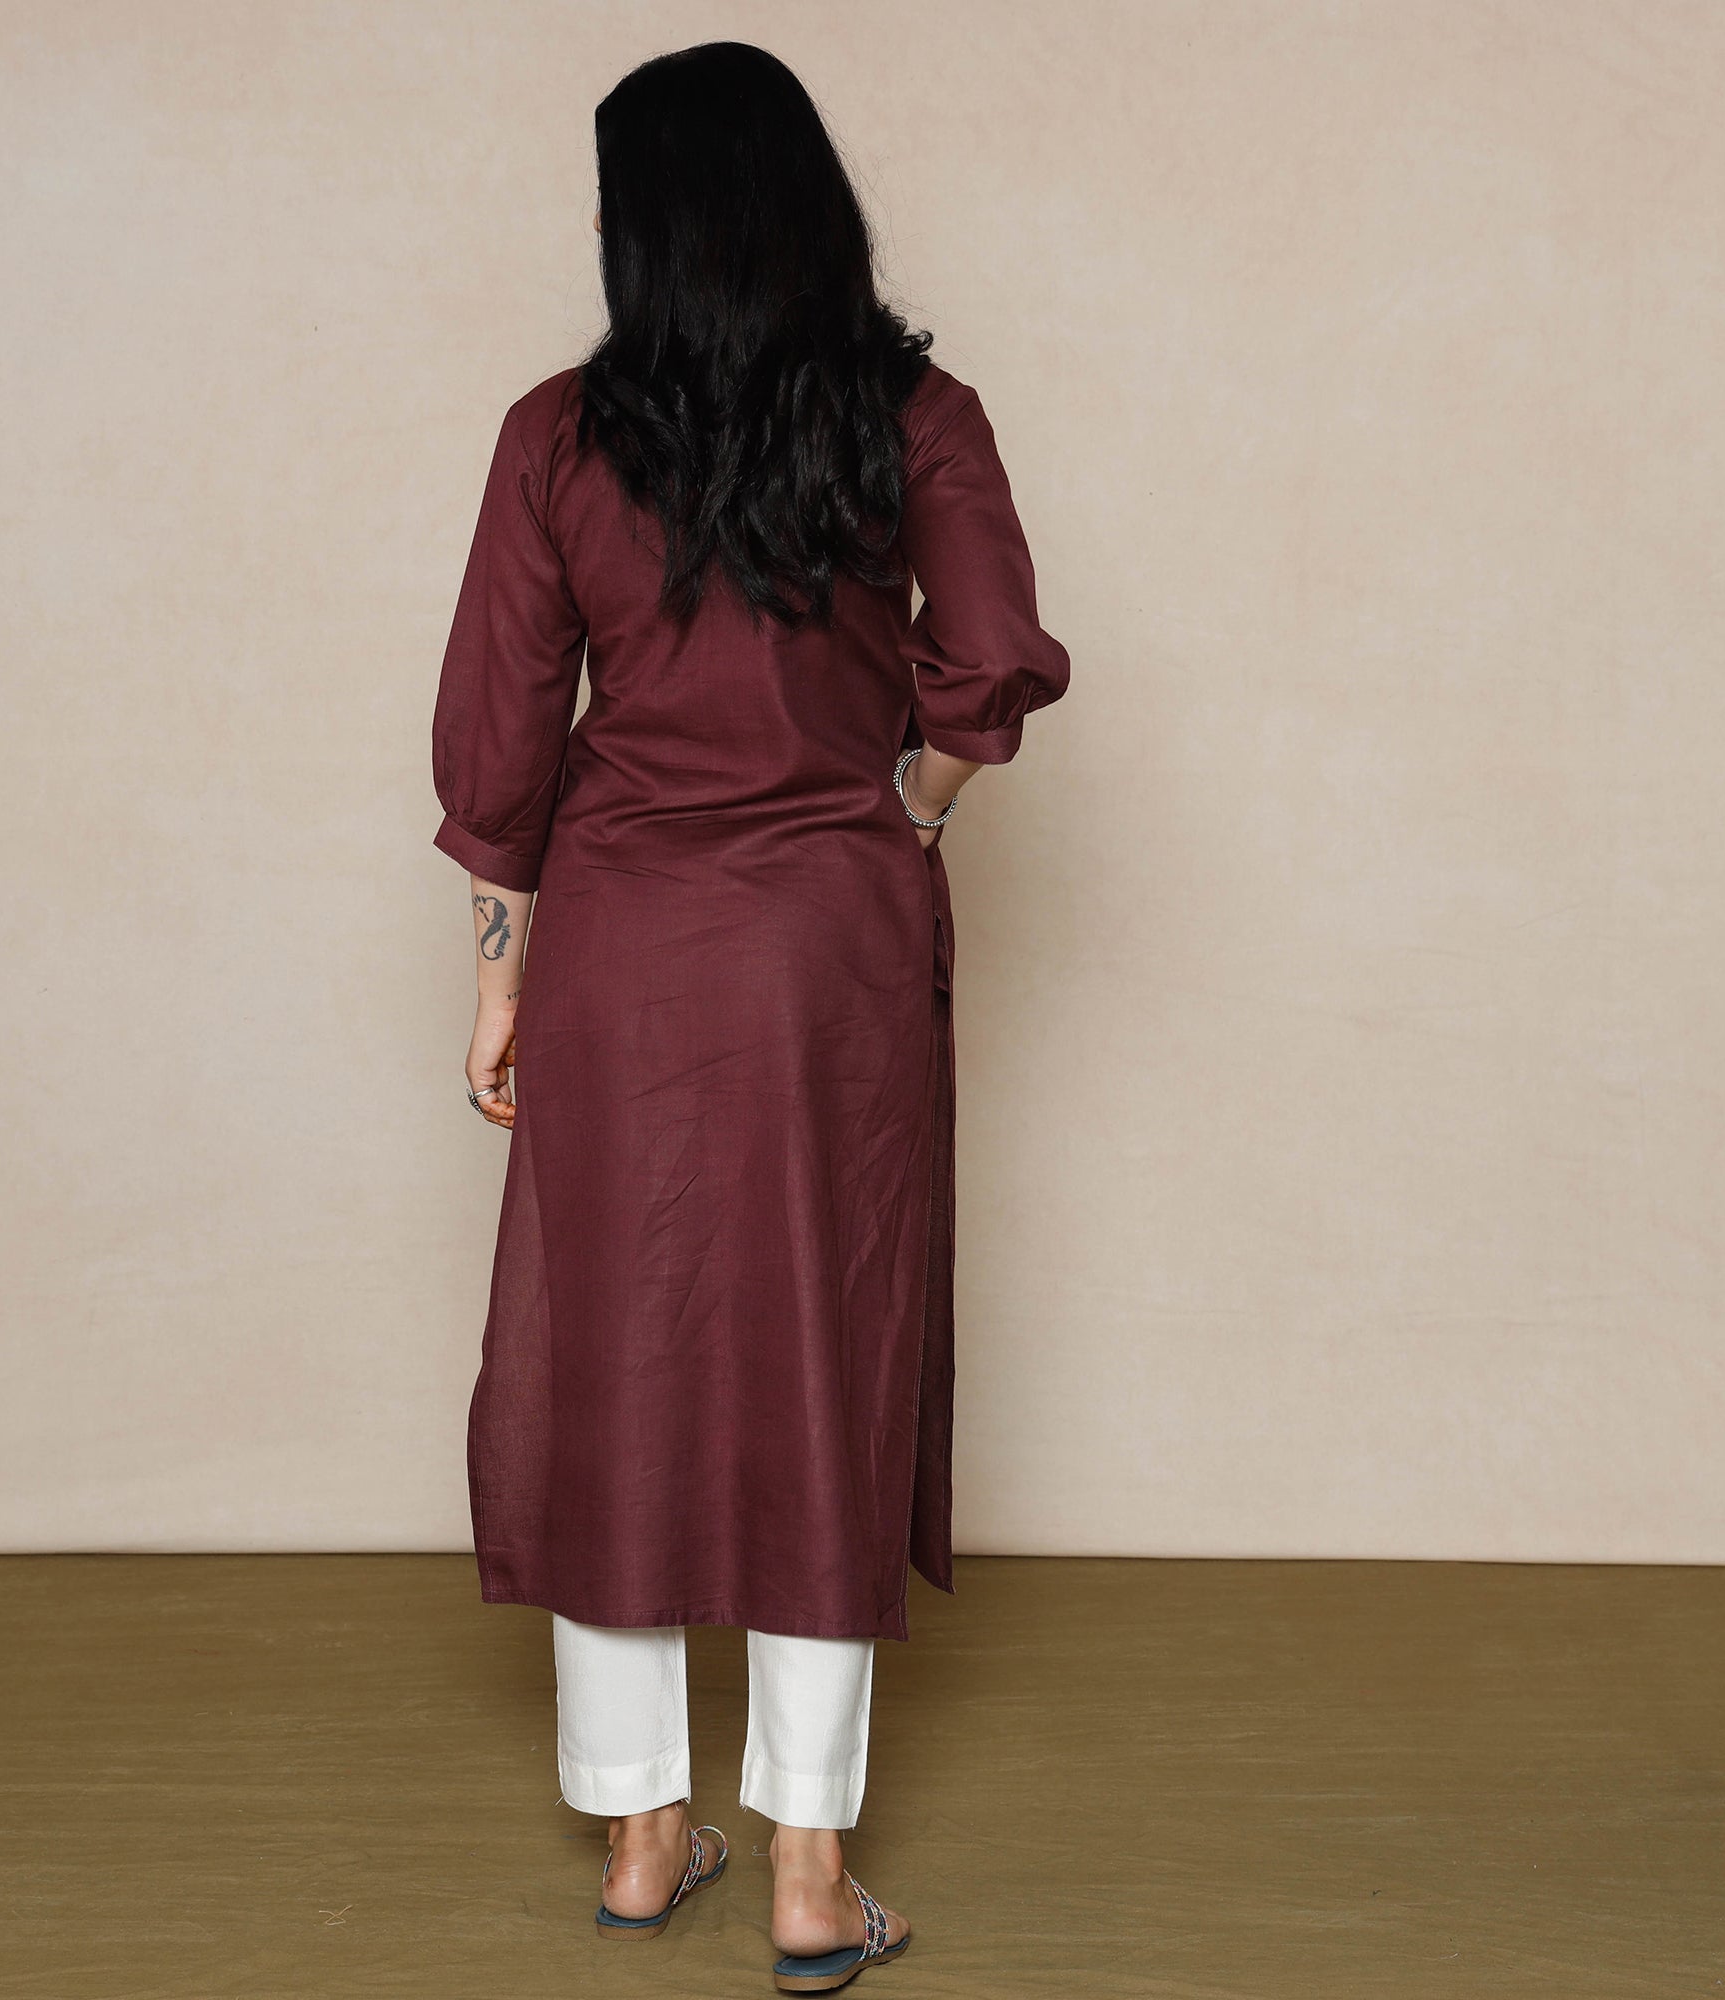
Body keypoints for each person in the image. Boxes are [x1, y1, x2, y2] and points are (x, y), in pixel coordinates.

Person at [429, 40, 1070, 1993]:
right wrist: (904, 806)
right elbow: (989, 666)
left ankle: (642, 1840)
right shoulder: (915, 417)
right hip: (828, 949)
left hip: (623, 947)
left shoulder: (559, 436)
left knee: (613, 1353)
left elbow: (499, 735)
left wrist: (501, 976)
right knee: (821, 1354)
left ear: (647, 229)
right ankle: (806, 1873)